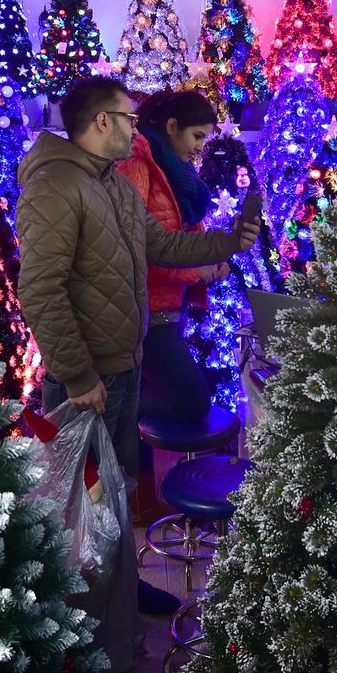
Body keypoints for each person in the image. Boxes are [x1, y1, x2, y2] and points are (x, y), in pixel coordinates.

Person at [15, 76, 258, 671]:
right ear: (102, 122)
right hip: (86, 385)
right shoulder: (55, 187)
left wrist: (232, 240)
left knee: (116, 496)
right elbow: (40, 290)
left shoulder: (113, 187)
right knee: (86, 510)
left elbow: (163, 247)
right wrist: (75, 376)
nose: (137, 126)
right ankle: (93, 643)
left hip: (122, 372)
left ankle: (119, 608)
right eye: (128, 117)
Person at [117, 89, 225, 427]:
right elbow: (138, 249)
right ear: (172, 126)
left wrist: (217, 256)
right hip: (145, 314)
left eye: (204, 139)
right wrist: (199, 272)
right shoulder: (138, 164)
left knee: (178, 397)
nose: (199, 147)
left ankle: (134, 457)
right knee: (192, 402)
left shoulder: (174, 170)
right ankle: (107, 415)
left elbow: (184, 232)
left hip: (167, 309)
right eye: (196, 136)